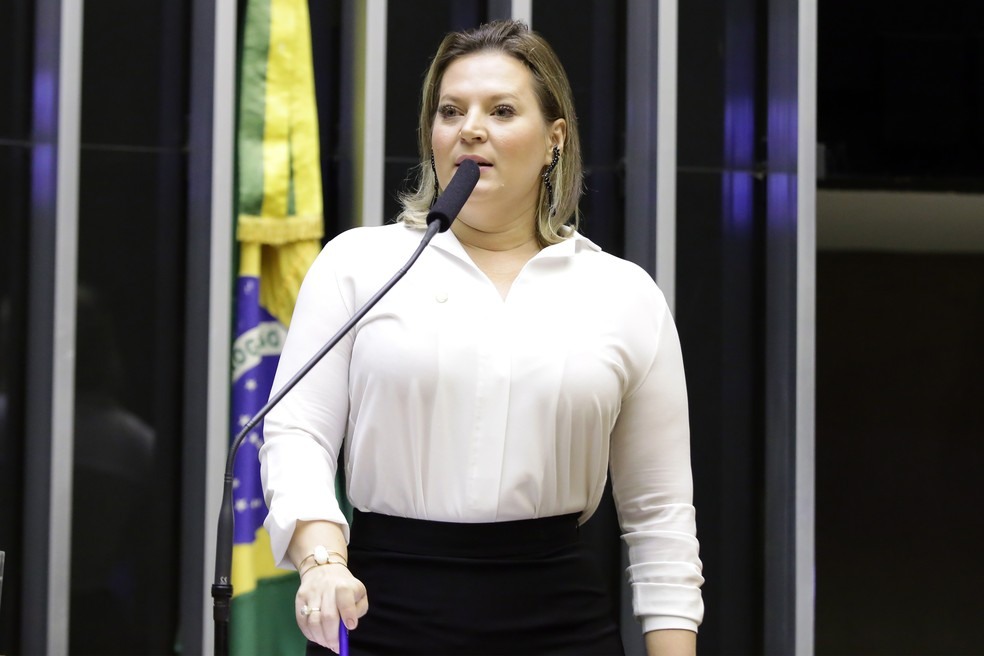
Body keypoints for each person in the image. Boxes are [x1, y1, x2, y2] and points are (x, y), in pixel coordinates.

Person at [260, 19, 704, 656]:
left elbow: (660, 515)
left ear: (555, 139)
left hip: (558, 619)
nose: (470, 128)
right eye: (450, 111)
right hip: (382, 611)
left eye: (500, 110)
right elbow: (297, 432)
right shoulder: (361, 265)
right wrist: (322, 560)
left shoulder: (623, 293)